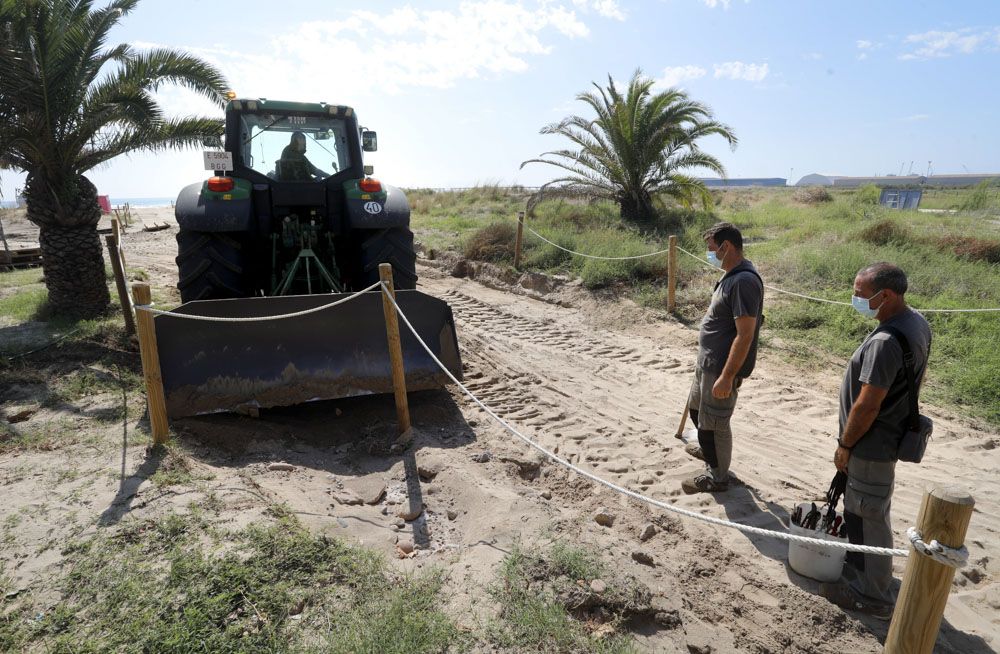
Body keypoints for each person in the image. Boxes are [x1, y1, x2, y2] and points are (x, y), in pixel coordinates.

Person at [819, 262, 931, 619]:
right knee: (861, 509)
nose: (854, 298)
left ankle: (875, 597)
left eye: (859, 293)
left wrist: (845, 444)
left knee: (870, 515)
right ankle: (863, 567)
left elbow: (867, 405)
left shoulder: (885, 342)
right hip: (886, 437)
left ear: (886, 295)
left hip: (870, 444)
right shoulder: (916, 323)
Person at [681, 222, 764, 494]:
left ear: (726, 247)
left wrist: (727, 376)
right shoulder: (732, 275)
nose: (709, 253)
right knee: (697, 411)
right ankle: (709, 452)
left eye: (711, 248)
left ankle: (717, 477)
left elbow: (745, 335)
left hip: (719, 369)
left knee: (715, 426)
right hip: (707, 364)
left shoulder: (743, 282)